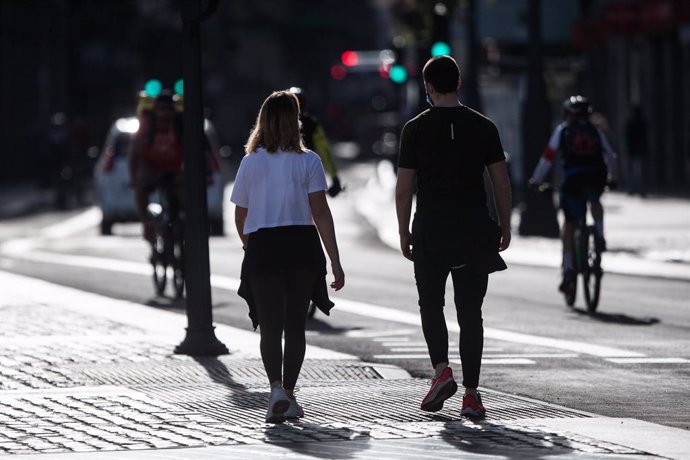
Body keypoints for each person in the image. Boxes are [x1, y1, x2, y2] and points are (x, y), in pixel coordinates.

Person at [395, 55, 512, 418]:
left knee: (431, 304)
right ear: (459, 83)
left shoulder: (414, 129)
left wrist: (403, 230)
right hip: (474, 228)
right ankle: (472, 394)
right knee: (470, 313)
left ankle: (441, 371)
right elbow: (500, 182)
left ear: (428, 86)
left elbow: (403, 188)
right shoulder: (483, 126)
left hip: (431, 228)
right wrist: (504, 225)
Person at [231, 90, 345, 423]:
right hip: (301, 246)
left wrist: (247, 244)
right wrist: (335, 260)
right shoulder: (308, 160)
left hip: (264, 246)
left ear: (263, 122)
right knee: (296, 327)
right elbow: (321, 212)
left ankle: (276, 389)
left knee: (270, 326)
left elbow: (241, 214)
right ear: (295, 122)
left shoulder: (250, 162)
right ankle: (291, 394)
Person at [529, 95, 618, 291]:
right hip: (596, 176)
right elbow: (610, 155)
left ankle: (568, 267)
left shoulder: (563, 131)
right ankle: (600, 234)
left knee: (569, 224)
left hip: (573, 180)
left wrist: (536, 180)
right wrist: (613, 178)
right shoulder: (595, 131)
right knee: (596, 201)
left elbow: (548, 158)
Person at [129, 91, 185, 243]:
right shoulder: (147, 125)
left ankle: (185, 227)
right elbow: (134, 153)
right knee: (140, 189)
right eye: (161, 109)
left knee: (184, 197)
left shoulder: (180, 126)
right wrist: (134, 177)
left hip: (174, 169)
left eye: (168, 109)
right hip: (152, 169)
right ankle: (146, 224)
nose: (165, 114)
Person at [289, 87, 342, 197]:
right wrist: (335, 178)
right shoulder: (312, 124)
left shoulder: (275, 125)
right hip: (306, 176)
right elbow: (325, 152)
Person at [624, 105, 648, 197]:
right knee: (639, 170)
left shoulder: (631, 122)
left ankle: (634, 188)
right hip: (638, 150)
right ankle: (639, 188)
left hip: (634, 150)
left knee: (634, 170)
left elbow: (627, 135)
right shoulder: (642, 122)